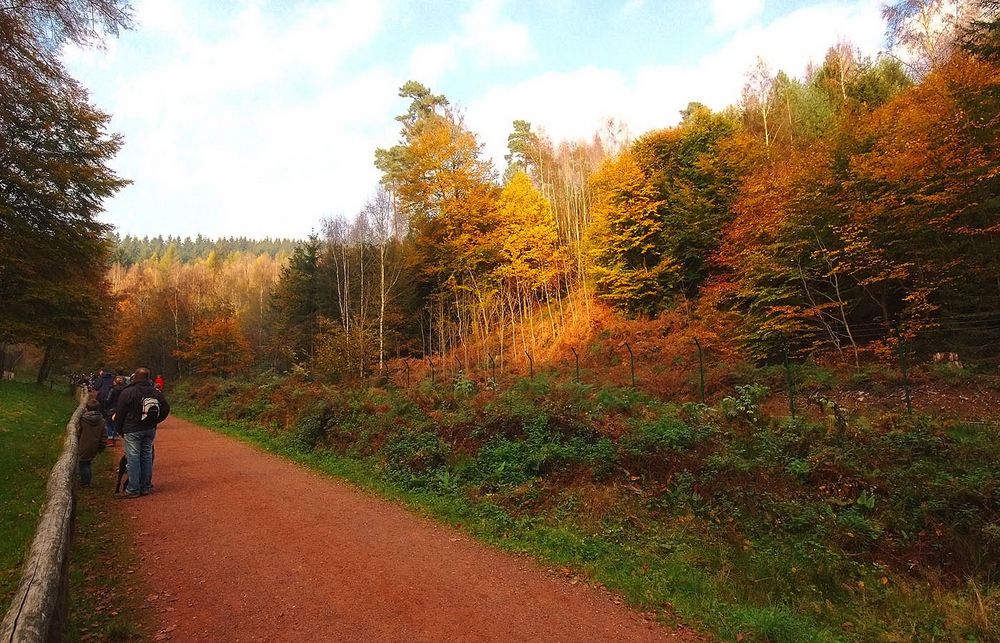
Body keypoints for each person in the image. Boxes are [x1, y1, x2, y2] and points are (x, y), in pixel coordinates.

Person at [114, 368, 170, 497]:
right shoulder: (155, 392)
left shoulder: (127, 392)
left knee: (133, 458)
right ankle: (145, 486)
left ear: (135, 378)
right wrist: (156, 421)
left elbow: (120, 413)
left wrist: (119, 429)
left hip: (132, 429)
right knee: (146, 457)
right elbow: (166, 408)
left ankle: (133, 489)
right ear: (148, 378)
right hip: (149, 429)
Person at [77, 399, 105, 487]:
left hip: (84, 443)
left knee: (83, 463)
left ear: (87, 409)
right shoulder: (101, 420)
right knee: (88, 462)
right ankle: (86, 481)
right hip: (95, 444)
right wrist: (102, 445)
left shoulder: (83, 420)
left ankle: (85, 482)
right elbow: (104, 434)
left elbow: (79, 431)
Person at [104, 375, 126, 444]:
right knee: (117, 422)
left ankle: (110, 438)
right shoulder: (125, 390)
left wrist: (105, 406)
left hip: (112, 408)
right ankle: (115, 435)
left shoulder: (112, 390)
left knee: (109, 423)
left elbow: (108, 399)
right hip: (121, 408)